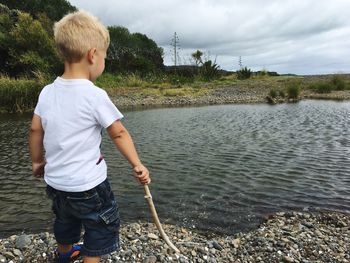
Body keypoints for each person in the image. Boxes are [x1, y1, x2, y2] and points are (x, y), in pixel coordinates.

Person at [28, 10, 151, 263]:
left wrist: (37, 162)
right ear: (93, 55)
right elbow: (118, 132)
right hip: (89, 186)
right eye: (104, 56)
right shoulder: (94, 95)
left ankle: (64, 255)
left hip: (57, 184)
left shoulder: (47, 92)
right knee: (99, 226)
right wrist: (137, 164)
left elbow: (35, 130)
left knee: (65, 221)